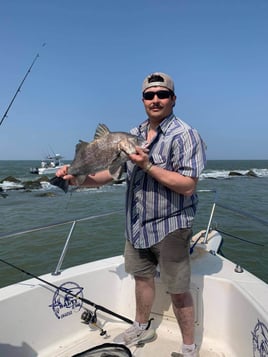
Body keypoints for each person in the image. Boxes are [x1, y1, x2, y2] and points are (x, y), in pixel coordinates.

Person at [56, 72, 206, 357]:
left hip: (171, 225)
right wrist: (74, 180)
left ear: (173, 99)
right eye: (149, 95)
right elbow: (110, 176)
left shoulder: (185, 135)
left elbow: (188, 186)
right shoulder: (132, 133)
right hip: (136, 225)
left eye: (162, 94)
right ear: (143, 100)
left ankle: (188, 347)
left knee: (177, 289)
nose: (155, 99)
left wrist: (148, 165)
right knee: (142, 278)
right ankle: (141, 325)